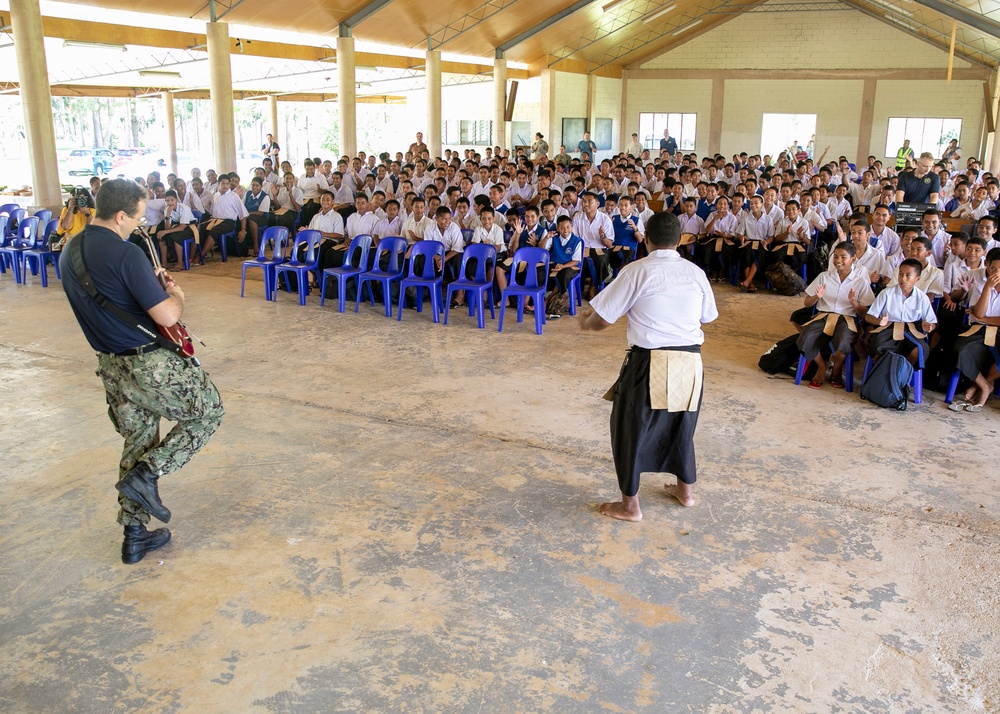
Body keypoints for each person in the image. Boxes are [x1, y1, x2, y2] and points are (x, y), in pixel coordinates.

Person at [58, 178, 224, 564]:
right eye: (137, 216)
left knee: (139, 439)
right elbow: (166, 314)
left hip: (111, 366)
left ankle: (134, 535)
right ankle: (146, 476)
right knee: (209, 412)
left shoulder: (70, 251)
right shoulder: (126, 253)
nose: (140, 223)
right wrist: (176, 293)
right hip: (147, 363)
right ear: (120, 215)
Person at [580, 211, 718, 521]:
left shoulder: (637, 270)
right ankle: (686, 493)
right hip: (691, 360)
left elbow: (602, 317)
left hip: (650, 360)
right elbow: (709, 316)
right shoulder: (695, 272)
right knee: (682, 426)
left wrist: (585, 323)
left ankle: (631, 507)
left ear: (647, 240)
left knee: (630, 429)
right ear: (680, 240)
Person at [797, 241, 874, 389]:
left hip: (847, 318)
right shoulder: (824, 276)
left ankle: (837, 368)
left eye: (843, 257)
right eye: (836, 257)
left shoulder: (861, 282)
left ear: (853, 259)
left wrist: (855, 304)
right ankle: (821, 366)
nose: (838, 261)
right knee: (804, 337)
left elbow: (866, 313)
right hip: (823, 315)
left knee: (845, 340)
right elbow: (807, 303)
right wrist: (816, 297)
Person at [951, 247, 1000, 411]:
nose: (996, 273)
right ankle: (984, 385)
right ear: (987, 265)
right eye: (993, 268)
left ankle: (980, 384)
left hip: (997, 330)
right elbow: (977, 313)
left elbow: (983, 316)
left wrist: (985, 318)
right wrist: (988, 287)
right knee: (962, 348)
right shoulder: (980, 283)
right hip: (977, 328)